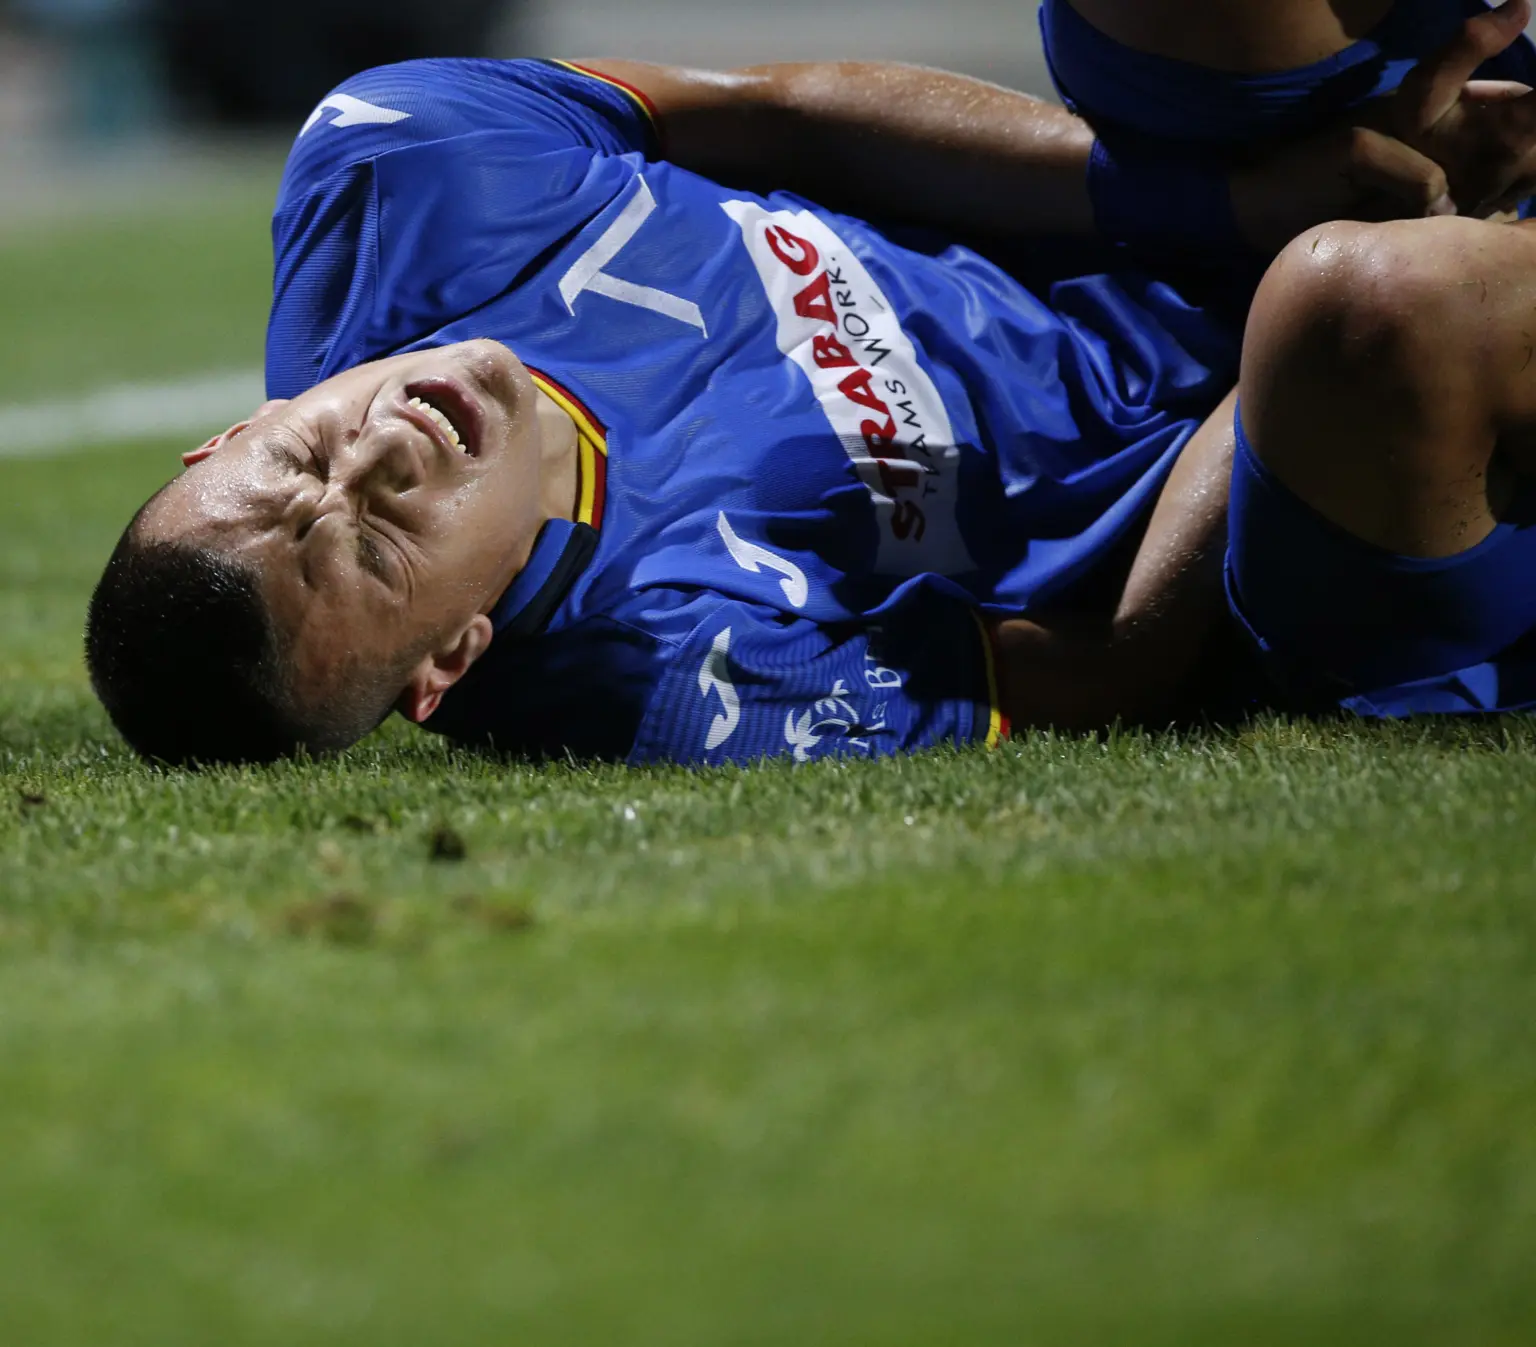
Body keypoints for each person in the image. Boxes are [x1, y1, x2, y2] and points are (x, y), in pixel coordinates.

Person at [81, 45, 1523, 765]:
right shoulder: (673, 675)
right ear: (448, 663)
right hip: (1289, 472)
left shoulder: (396, 165)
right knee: (1369, 307)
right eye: (379, 545)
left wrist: (1218, 201)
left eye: (301, 457)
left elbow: (774, 108)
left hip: (1171, 249)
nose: (382, 454)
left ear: (230, 433)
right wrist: (1269, 341)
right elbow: (1114, 667)